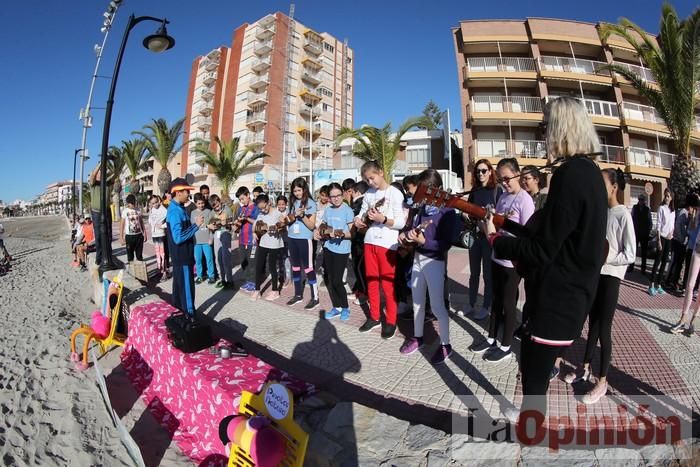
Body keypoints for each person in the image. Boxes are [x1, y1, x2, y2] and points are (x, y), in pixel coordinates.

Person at [484, 96, 608, 426]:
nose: (543, 134)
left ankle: (530, 425)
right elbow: (551, 237)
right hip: (573, 295)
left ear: (560, 128)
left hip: (558, 298)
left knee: (535, 370)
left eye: (545, 126)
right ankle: (530, 416)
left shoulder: (570, 175)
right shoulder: (590, 172)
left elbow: (542, 250)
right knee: (534, 360)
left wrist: (496, 241)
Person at [561, 168, 635, 404]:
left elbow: (630, 253)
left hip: (611, 277)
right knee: (590, 325)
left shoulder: (623, 214)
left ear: (614, 187)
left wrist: (606, 257)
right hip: (594, 275)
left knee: (604, 329)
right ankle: (584, 368)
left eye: (601, 183)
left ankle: (602, 381)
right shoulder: (600, 212)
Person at [470, 158, 535, 363]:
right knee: (496, 302)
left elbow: (527, 234)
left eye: (507, 178)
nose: (504, 183)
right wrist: (486, 223)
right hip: (496, 256)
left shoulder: (525, 200)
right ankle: (491, 338)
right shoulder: (503, 197)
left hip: (512, 263)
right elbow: (496, 225)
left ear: (517, 174)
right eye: (501, 179)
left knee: (508, 304)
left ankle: (505, 345)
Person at [399, 169, 457, 364]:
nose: (422, 195)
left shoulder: (447, 211)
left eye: (426, 190)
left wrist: (425, 241)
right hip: (417, 258)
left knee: (438, 307)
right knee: (417, 303)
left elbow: (446, 243)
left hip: (434, 262)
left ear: (437, 189)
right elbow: (414, 228)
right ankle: (418, 337)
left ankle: (446, 345)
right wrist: (407, 235)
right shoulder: (422, 208)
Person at [354, 160, 407, 339]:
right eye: (367, 180)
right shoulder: (369, 194)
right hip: (369, 241)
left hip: (387, 244)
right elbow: (361, 212)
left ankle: (391, 320)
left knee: (387, 284)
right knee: (371, 282)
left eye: (372, 178)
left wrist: (383, 219)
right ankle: (375, 316)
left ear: (381, 173)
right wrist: (358, 219)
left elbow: (401, 222)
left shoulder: (395, 193)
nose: (371, 182)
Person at [460, 159, 502, 320]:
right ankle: (471, 304)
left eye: (484, 170)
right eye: (478, 171)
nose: (480, 174)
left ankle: (486, 306)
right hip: (475, 237)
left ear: (490, 171)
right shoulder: (474, 191)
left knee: (488, 275)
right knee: (474, 273)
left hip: (489, 238)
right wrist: (465, 215)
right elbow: (469, 213)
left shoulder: (497, 191)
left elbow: (501, 216)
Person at [316, 183, 355, 320]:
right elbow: (324, 225)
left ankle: (345, 307)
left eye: (338, 195)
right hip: (328, 247)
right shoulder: (328, 210)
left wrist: (341, 235)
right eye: (332, 196)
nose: (336, 199)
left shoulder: (347, 210)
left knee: (338, 280)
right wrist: (319, 232)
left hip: (342, 249)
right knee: (330, 280)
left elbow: (353, 232)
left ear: (343, 194)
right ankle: (337, 307)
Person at [166, 178, 204, 316]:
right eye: (186, 191)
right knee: (186, 290)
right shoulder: (175, 211)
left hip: (182, 257)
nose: (188, 194)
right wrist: (195, 226)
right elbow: (178, 237)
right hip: (182, 258)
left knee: (179, 289)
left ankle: (179, 316)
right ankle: (189, 318)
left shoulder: (178, 208)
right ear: (177, 192)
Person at [285, 177, 320, 309]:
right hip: (292, 238)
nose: (297, 193)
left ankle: (315, 297)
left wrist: (302, 216)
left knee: (308, 267)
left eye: (299, 190)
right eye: (294, 191)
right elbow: (288, 219)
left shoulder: (310, 203)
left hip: (304, 239)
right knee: (295, 267)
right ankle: (298, 295)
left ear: (304, 189)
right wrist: (291, 217)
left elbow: (311, 226)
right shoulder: (293, 202)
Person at [673, 193, 700, 335]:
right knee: (689, 285)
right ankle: (683, 319)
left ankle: (693, 321)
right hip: (697, 250)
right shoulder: (698, 210)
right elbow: (692, 229)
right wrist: (695, 214)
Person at [251, 194, 285, 301]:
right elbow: (254, 226)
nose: (263, 210)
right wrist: (254, 233)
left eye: (264, 207)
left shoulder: (276, 213)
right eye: (260, 208)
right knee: (258, 266)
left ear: (269, 202)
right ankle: (257, 290)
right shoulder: (260, 214)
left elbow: (283, 223)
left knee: (272, 267)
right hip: (263, 244)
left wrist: (279, 227)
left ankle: (275, 291)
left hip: (274, 245)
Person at [649, 189, 675, 295]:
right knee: (657, 261)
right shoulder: (661, 208)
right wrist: (659, 240)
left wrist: (672, 234)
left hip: (669, 238)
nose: (666, 198)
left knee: (665, 261)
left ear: (672, 198)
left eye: (668, 196)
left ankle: (659, 284)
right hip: (662, 238)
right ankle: (651, 284)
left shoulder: (673, 210)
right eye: (665, 196)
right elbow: (658, 225)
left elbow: (673, 224)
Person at [233, 187, 259, 291]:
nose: (241, 201)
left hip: (252, 240)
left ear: (248, 195)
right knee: (244, 262)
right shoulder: (241, 208)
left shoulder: (256, 207)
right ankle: (247, 281)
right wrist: (237, 224)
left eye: (243, 198)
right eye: (240, 199)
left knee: (252, 262)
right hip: (242, 240)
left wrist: (247, 218)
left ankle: (254, 282)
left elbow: (258, 222)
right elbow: (239, 223)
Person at [88, 163, 112, 266]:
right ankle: (99, 257)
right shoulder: (93, 183)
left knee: (108, 234)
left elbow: (115, 175)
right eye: (100, 172)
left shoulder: (106, 183)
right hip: (97, 213)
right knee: (98, 235)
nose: (101, 173)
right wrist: (101, 163)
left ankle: (109, 255)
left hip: (106, 211)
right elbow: (93, 176)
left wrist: (114, 164)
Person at [666, 198, 690, 293]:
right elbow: (680, 228)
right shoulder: (684, 213)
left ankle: (672, 281)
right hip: (679, 242)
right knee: (676, 263)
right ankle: (670, 281)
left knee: (677, 263)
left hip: (679, 241)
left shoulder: (683, 212)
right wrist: (682, 240)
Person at [191, 193, 216, 285]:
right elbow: (192, 227)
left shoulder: (208, 212)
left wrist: (211, 238)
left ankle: (211, 276)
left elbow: (213, 226)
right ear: (195, 203)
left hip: (207, 241)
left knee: (209, 259)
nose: (201, 205)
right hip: (196, 242)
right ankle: (199, 276)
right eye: (199, 203)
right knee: (198, 260)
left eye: (202, 203)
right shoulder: (193, 213)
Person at [210, 194, 234, 289]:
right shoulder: (212, 212)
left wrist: (226, 223)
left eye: (218, 205)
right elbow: (210, 223)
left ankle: (230, 280)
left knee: (226, 258)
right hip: (217, 234)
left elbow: (231, 223)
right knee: (218, 257)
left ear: (220, 201)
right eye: (214, 207)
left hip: (225, 234)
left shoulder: (227, 209)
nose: (217, 208)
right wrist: (211, 226)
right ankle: (222, 279)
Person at [350, 181, 368, 305]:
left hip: (360, 242)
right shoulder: (359, 203)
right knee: (359, 267)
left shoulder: (359, 203)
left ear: (357, 192)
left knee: (360, 268)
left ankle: (364, 294)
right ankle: (359, 290)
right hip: (359, 241)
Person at [681, 194, 700, 296]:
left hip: (697, 249)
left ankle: (695, 289)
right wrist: (693, 217)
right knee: (688, 269)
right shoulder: (694, 216)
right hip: (691, 247)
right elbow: (690, 230)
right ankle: (685, 287)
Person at [120, 194, 147, 265]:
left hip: (139, 236)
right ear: (128, 203)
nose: (133, 204)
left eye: (134, 202)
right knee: (130, 256)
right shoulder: (125, 212)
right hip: (129, 236)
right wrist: (121, 237)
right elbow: (122, 225)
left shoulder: (138, 210)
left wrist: (145, 233)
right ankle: (132, 271)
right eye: (132, 203)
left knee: (139, 256)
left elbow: (141, 222)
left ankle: (140, 273)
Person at [148, 195, 169, 280]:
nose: (155, 204)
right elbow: (150, 221)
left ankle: (165, 272)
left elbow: (168, 221)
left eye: (156, 202)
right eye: (153, 203)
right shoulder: (152, 210)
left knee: (163, 254)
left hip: (161, 234)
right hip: (154, 234)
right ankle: (159, 270)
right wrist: (150, 210)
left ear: (159, 201)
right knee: (157, 254)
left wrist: (162, 226)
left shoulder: (164, 210)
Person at [631, 194, 652, 274]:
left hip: (644, 234)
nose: (641, 201)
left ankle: (643, 269)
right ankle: (631, 266)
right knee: (634, 250)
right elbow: (632, 218)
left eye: (642, 200)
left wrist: (648, 231)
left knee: (644, 252)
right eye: (640, 200)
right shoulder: (635, 208)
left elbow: (650, 222)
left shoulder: (647, 209)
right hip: (636, 232)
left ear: (644, 201)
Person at [314, 185, 330, 285]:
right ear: (319, 195)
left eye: (326, 196)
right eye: (322, 195)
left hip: (325, 234)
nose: (324, 198)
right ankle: (311, 275)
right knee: (313, 254)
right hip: (315, 233)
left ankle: (326, 276)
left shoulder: (330, 206)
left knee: (326, 255)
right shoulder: (315, 205)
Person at [276, 195, 292, 287]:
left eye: (283, 204)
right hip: (277, 240)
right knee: (279, 259)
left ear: (286, 204)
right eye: (279, 204)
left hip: (287, 239)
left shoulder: (289, 213)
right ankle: (281, 276)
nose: (281, 206)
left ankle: (288, 277)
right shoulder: (275, 212)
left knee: (287, 259)